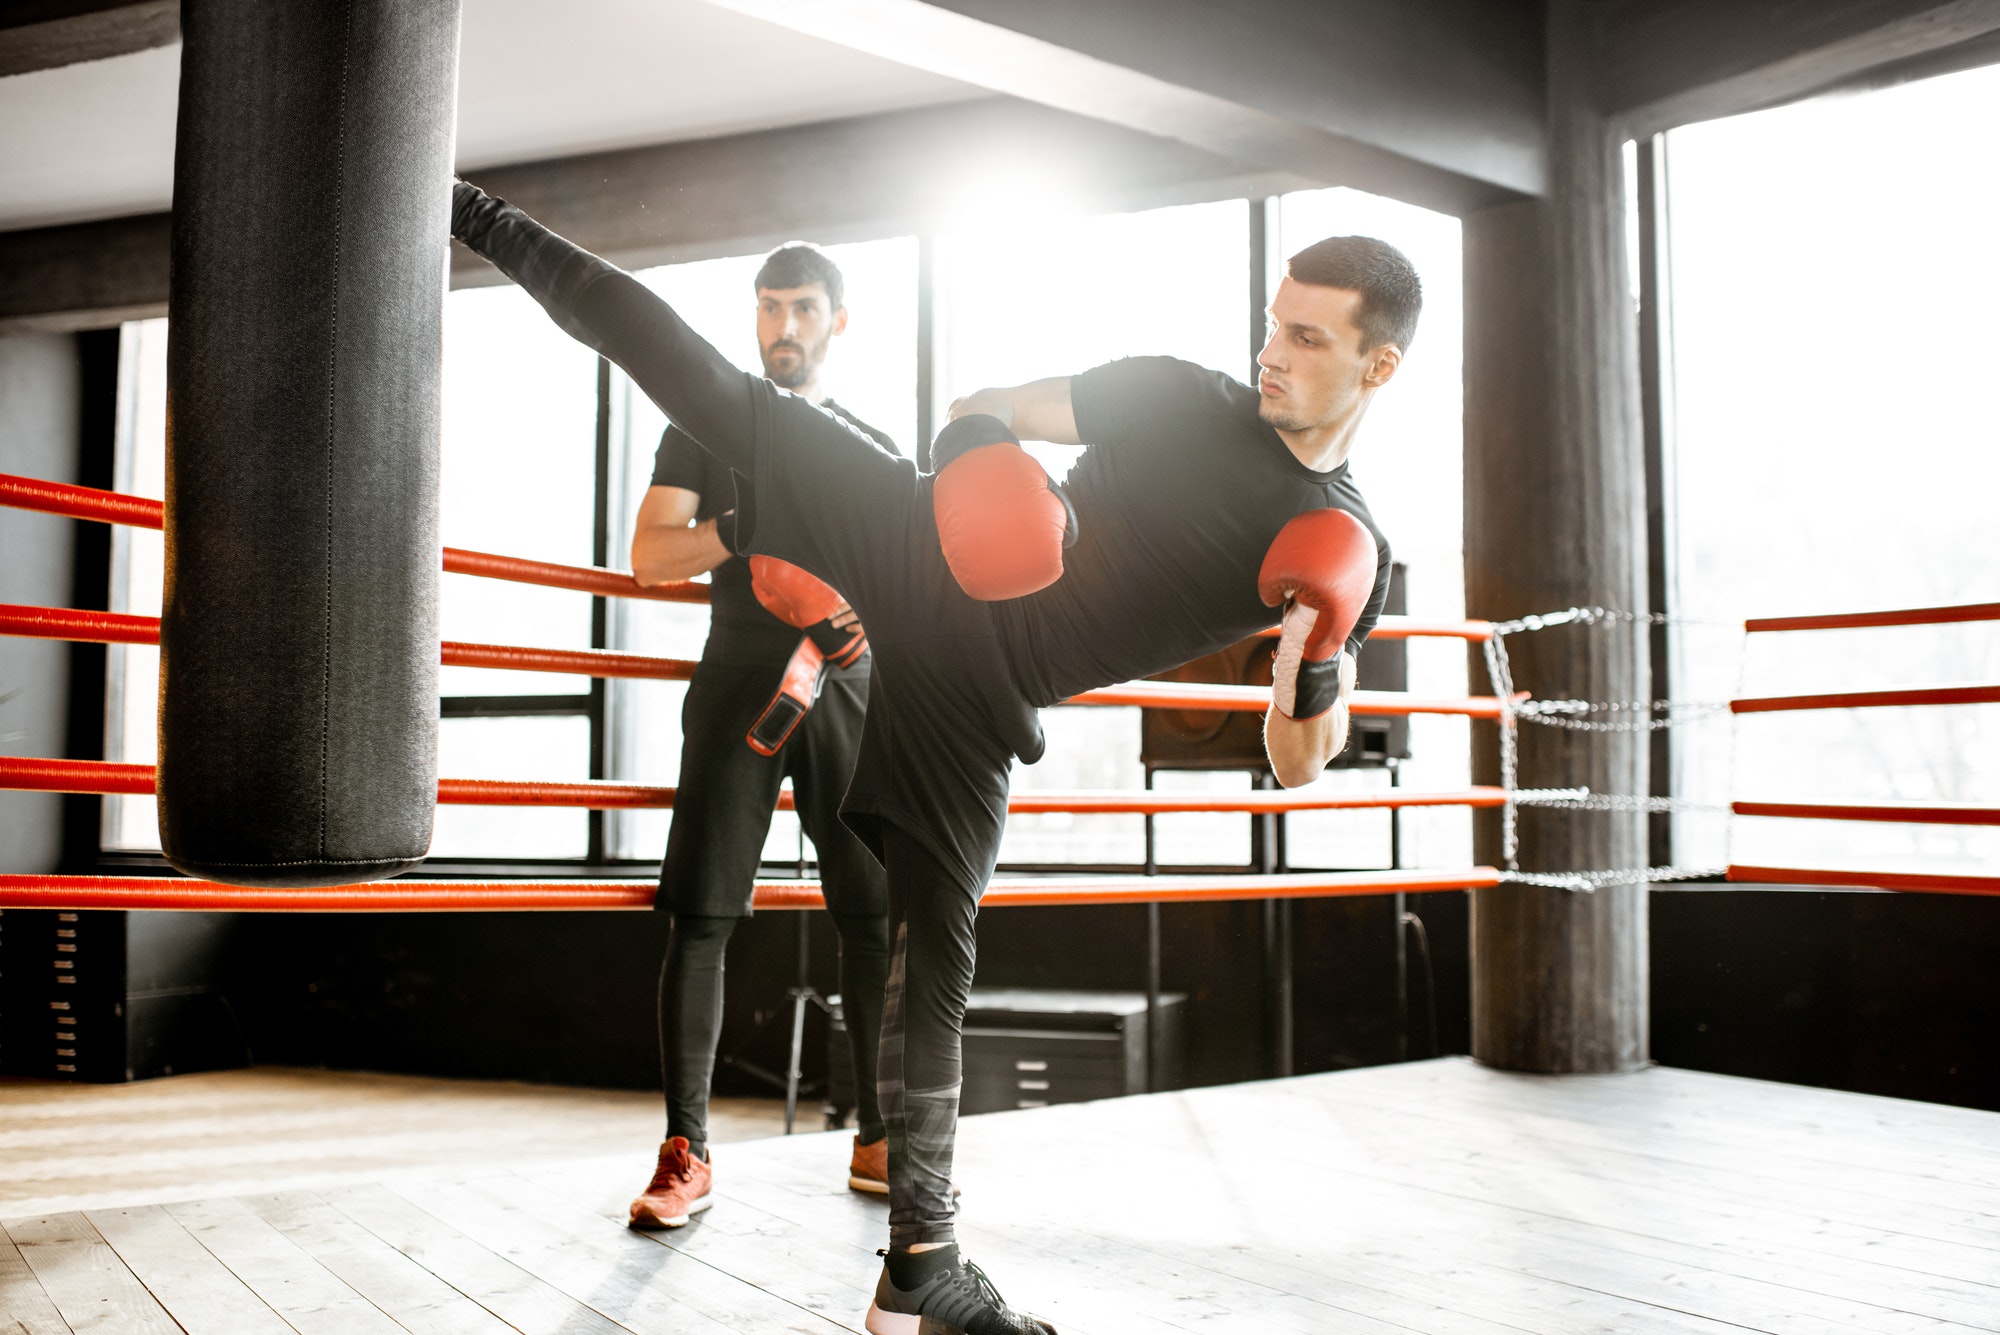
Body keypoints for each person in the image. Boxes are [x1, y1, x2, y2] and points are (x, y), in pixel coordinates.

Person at [451, 181, 1407, 1335]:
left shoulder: (1345, 542)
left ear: (1375, 365)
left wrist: (1309, 652)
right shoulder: (1171, 393)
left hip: (983, 691)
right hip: (917, 540)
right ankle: (470, 212)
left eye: (1305, 339)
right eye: (1270, 322)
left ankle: (920, 1270)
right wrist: (975, 451)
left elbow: (1296, 761)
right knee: (712, 391)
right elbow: (981, 404)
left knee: (932, 957)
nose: (1269, 356)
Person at [624, 244, 896, 1231]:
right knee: (701, 910)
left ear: (837, 321)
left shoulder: (868, 445)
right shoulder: (706, 427)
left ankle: (877, 1134)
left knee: (871, 909)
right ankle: (685, 1149)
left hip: (851, 677)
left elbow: (907, 577)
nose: (781, 327)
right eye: (767, 307)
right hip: (741, 675)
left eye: (803, 309)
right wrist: (746, 536)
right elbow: (651, 552)